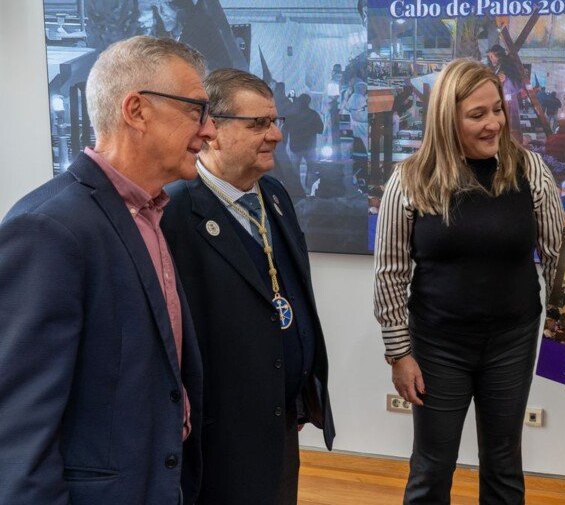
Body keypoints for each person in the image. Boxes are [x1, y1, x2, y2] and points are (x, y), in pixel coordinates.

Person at [0, 36, 214, 504]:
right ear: (136, 110)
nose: (210, 130)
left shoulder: (151, 212)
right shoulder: (49, 228)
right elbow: (18, 432)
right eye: (197, 110)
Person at [374, 58, 564, 504]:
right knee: (431, 467)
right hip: (437, 345)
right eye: (477, 114)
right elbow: (391, 273)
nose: (494, 123)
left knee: (504, 464)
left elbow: (557, 257)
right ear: (447, 119)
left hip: (512, 341)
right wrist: (399, 353)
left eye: (497, 110)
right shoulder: (410, 179)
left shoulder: (530, 169)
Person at [160, 69, 335, 505]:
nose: (276, 135)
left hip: (281, 418)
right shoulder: (175, 211)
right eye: (258, 123)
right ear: (213, 131)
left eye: (274, 121)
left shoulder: (274, 194)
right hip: (220, 433)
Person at [284, 93, 324, 191]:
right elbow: (320, 129)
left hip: (295, 146)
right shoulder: (314, 114)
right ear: (308, 102)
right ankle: (310, 189)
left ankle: (296, 190)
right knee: (311, 169)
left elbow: (285, 128)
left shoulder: (291, 115)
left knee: (295, 170)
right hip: (310, 146)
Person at [486, 44, 525, 141]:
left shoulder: (508, 67)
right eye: (489, 57)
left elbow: (518, 84)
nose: (491, 59)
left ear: (499, 55)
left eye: (492, 56)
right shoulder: (495, 68)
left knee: (510, 125)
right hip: (498, 100)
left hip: (509, 101)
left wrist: (506, 80)